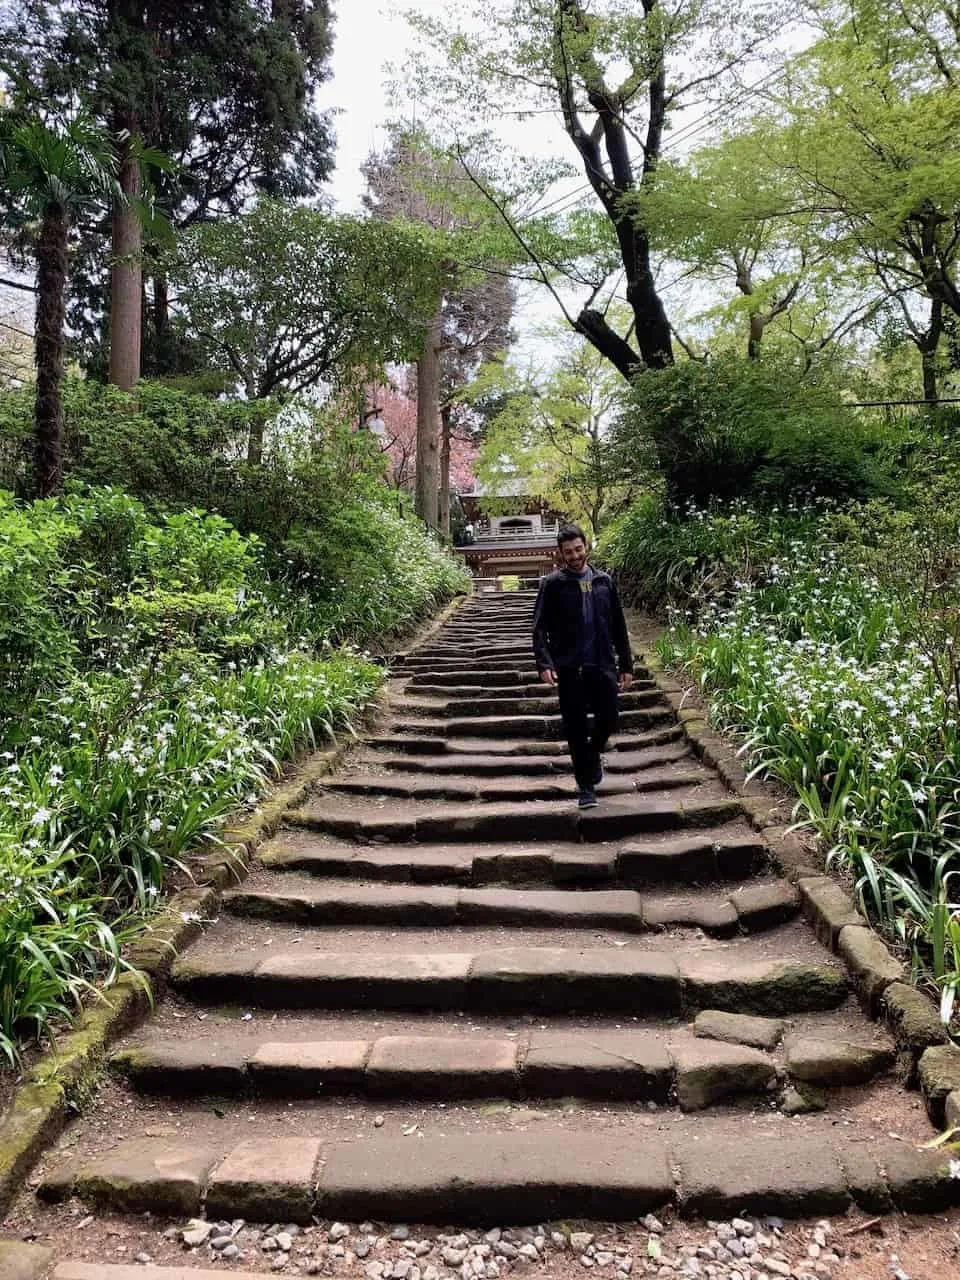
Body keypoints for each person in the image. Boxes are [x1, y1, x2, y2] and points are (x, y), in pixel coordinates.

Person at [532, 523, 633, 809]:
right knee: (576, 728)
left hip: (603, 664)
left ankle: (591, 757)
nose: (575, 556)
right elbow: (539, 628)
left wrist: (626, 663)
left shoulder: (604, 581)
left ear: (585, 546)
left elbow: (619, 625)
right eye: (568, 552)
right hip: (570, 667)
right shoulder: (552, 584)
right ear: (560, 554)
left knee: (609, 717)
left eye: (578, 549)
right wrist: (544, 662)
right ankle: (586, 787)